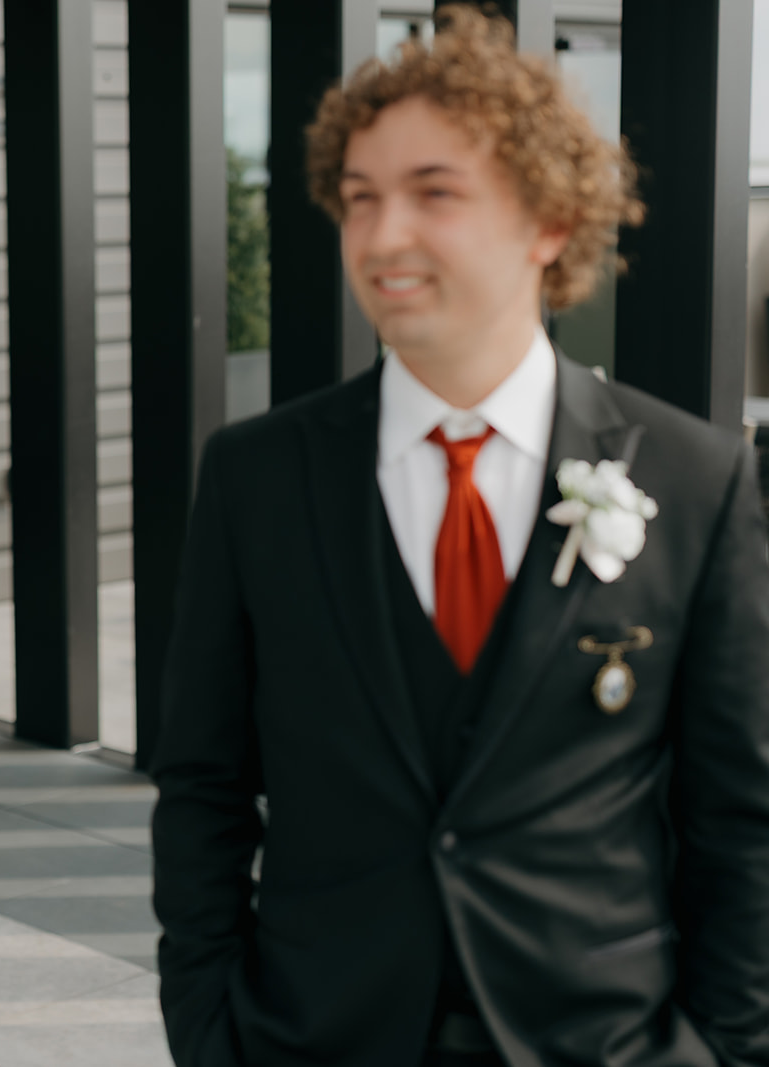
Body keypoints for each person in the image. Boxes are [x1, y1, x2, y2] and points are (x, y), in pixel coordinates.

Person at [151, 8, 769, 1066]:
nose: (382, 234)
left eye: (433, 193)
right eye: (358, 199)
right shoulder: (254, 476)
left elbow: (743, 816)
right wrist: (210, 1033)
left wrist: (725, 1047)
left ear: (547, 220)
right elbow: (204, 785)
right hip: (316, 1037)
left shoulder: (695, 477)